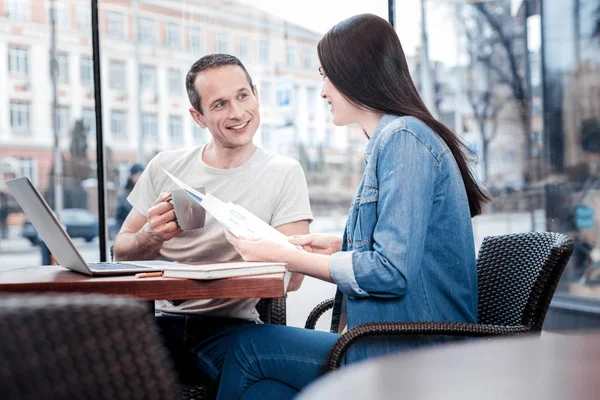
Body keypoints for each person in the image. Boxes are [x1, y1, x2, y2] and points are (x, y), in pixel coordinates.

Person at [215, 14, 490, 400]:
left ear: (353, 74)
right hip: (397, 340)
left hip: (415, 350)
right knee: (267, 388)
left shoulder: (404, 138)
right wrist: (338, 246)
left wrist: (288, 257)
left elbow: (392, 272)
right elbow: (403, 253)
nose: (323, 90)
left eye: (325, 75)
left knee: (247, 349)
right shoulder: (393, 139)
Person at [112, 53, 313, 386]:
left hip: (233, 329)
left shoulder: (284, 172)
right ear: (198, 117)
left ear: (256, 94)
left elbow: (292, 280)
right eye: (219, 104)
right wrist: (150, 236)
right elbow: (120, 252)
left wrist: (255, 245)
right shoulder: (167, 166)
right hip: (159, 324)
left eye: (242, 96)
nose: (237, 112)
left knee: (268, 387)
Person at [114, 163, 144, 232]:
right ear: (131, 176)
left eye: (141, 175)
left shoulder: (145, 193)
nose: (138, 178)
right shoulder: (123, 195)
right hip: (127, 229)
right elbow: (119, 218)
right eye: (136, 175)